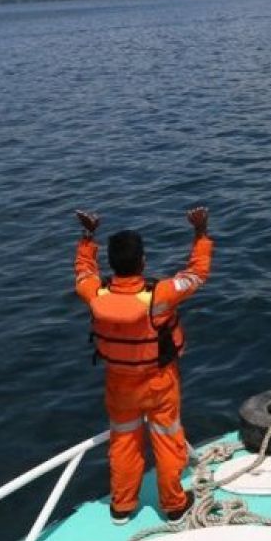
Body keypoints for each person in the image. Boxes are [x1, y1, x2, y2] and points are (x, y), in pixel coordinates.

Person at [73, 206, 213, 524]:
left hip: (119, 384)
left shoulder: (94, 293)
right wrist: (200, 233)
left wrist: (87, 237)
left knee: (124, 441)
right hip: (159, 382)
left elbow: (82, 270)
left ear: (111, 263)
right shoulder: (159, 296)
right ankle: (174, 505)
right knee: (167, 439)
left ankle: (122, 507)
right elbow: (197, 274)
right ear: (143, 262)